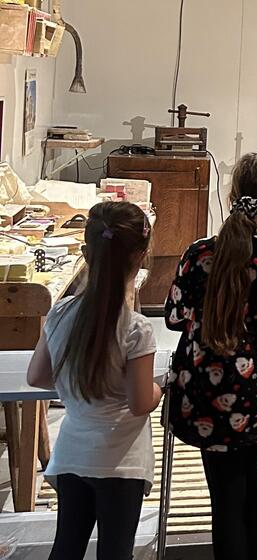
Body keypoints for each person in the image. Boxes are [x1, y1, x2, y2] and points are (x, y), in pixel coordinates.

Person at [164, 152, 257, 560]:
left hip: (206, 398)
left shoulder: (200, 253)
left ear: (231, 195)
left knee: (223, 497)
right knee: (250, 486)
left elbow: (174, 317)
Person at [27, 201, 159, 560]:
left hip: (71, 453)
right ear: (142, 256)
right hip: (121, 462)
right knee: (116, 552)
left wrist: (78, 379)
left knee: (66, 548)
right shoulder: (135, 328)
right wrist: (159, 388)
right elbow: (140, 401)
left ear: (86, 252)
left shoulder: (60, 312)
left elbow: (37, 376)